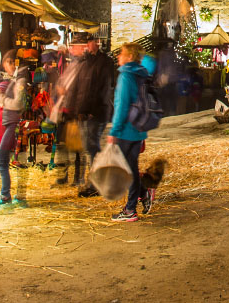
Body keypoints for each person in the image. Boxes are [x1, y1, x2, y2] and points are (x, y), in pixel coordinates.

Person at [59, 31, 115, 197]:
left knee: (92, 147)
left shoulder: (104, 62)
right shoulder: (85, 62)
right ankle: (93, 181)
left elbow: (102, 89)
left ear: (95, 43)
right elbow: (80, 88)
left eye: (88, 43)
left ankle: (97, 183)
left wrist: (91, 110)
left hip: (96, 112)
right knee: (88, 146)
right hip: (85, 112)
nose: (86, 47)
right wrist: (76, 109)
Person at [108, 42, 158, 222]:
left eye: (121, 54)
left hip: (127, 130)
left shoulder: (126, 77)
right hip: (139, 128)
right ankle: (141, 194)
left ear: (129, 57)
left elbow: (121, 106)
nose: (118, 57)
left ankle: (130, 209)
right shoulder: (141, 74)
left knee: (127, 170)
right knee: (131, 168)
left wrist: (114, 130)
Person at [0, 50, 31, 212]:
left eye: (6, 64)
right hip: (10, 122)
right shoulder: (16, 79)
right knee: (2, 159)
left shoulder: (20, 79)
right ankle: (5, 193)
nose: (6, 68)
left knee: (1, 159)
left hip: (12, 122)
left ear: (12, 63)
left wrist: (2, 100)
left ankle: (5, 194)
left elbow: (18, 104)